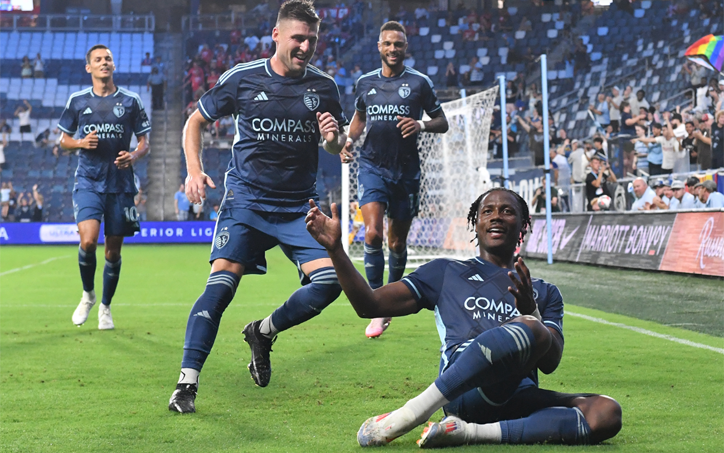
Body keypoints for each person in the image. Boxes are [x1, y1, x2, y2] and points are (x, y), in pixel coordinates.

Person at [304, 189, 622, 448]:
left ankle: (467, 433)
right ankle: (410, 414)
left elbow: (550, 362)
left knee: (606, 413)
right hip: (465, 393)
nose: (497, 215)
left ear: (524, 224)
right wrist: (336, 251)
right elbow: (369, 305)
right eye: (487, 211)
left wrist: (532, 310)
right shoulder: (446, 272)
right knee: (531, 327)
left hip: (517, 395)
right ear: (476, 224)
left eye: (507, 211)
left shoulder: (545, 291)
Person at [168, 0, 349, 414]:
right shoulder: (244, 78)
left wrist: (333, 138)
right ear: (276, 35)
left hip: (297, 207)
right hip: (245, 201)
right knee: (219, 289)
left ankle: (263, 332)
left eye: (312, 40)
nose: (305, 47)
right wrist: (194, 171)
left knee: (329, 283)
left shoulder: (324, 87)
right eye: (297, 38)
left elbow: (336, 147)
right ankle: (186, 383)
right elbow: (195, 120)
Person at [340, 20, 448, 339]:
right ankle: (378, 304)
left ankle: (389, 301)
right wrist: (348, 140)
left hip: (407, 172)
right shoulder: (364, 83)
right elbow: (359, 118)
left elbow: (441, 122)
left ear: (405, 48)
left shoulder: (420, 83)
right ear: (379, 47)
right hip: (373, 166)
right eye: (387, 43)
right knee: (372, 234)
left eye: (398, 44)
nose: (392, 49)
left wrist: (422, 125)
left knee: (396, 241)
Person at [58, 44, 151, 331]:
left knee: (113, 252)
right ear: (89, 67)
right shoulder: (77, 101)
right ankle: (88, 295)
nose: (104, 62)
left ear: (113, 65)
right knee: (87, 241)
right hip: (88, 180)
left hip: (121, 185)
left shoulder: (131, 100)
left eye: (108, 58)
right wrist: (80, 143)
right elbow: (63, 141)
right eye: (98, 59)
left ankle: (105, 307)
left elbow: (144, 143)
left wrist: (133, 155)